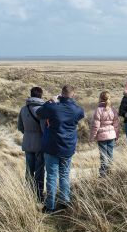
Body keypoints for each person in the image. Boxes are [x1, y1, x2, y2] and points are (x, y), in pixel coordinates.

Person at [38, 85, 85, 213]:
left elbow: (39, 113)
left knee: (52, 176)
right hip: (67, 147)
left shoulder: (53, 107)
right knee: (64, 175)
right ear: (73, 94)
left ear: (61, 94)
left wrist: (51, 101)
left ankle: (50, 207)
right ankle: (65, 202)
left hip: (52, 146)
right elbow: (81, 114)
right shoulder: (77, 110)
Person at [17, 86, 47, 202]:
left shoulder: (23, 109)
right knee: (40, 170)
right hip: (40, 144)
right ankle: (39, 196)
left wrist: (28, 134)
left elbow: (20, 127)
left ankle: (28, 195)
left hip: (27, 143)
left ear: (31, 95)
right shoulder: (42, 110)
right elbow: (44, 129)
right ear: (41, 95)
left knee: (29, 170)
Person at [89, 91, 121, 177]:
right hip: (111, 135)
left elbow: (95, 126)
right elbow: (116, 125)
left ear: (100, 98)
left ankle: (103, 174)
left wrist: (92, 137)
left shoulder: (98, 110)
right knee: (110, 154)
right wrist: (116, 135)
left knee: (103, 155)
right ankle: (110, 172)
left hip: (102, 136)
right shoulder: (113, 109)